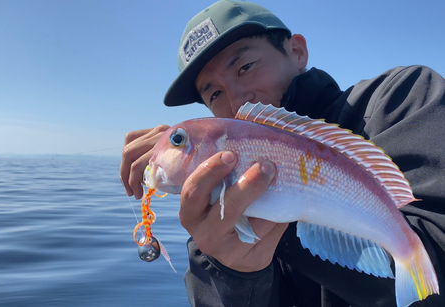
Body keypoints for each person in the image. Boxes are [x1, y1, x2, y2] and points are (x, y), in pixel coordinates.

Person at [121, 0, 445, 306]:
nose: (235, 100)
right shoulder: (213, 209)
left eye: (245, 66)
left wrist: (286, 201)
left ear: (297, 51)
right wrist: (235, 271)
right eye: (215, 93)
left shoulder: (399, 97)